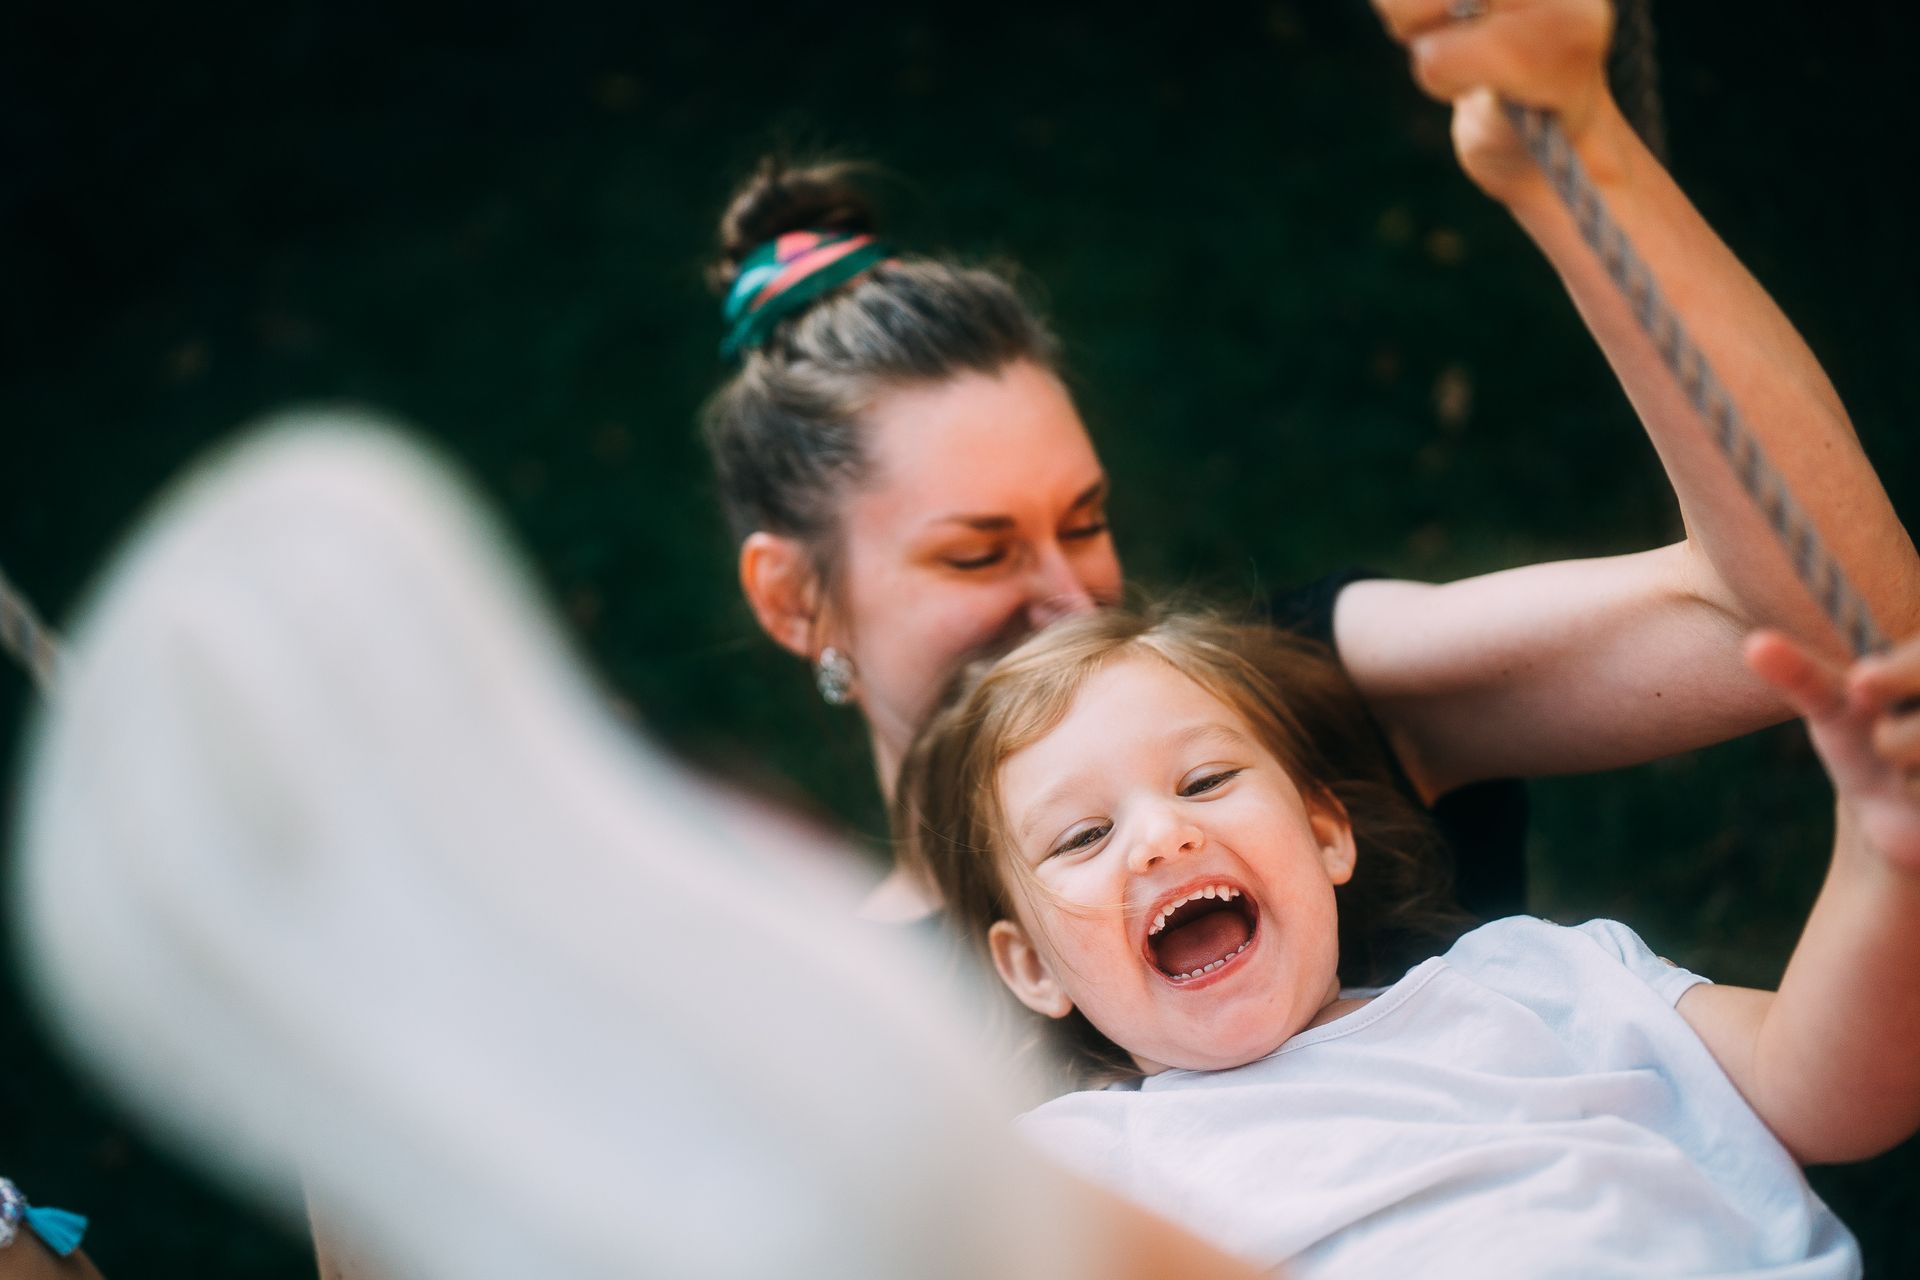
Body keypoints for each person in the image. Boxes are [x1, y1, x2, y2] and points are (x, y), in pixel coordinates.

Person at [700, 0, 1920, 923]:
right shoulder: (836, 1020)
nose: (1071, 595)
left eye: (1084, 521)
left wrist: (1575, 155)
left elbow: (1841, 627)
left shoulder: (1301, 696)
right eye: (978, 551)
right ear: (796, 600)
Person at [895, 602, 1920, 1275]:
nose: (1164, 835)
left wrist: (1884, 860)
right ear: (1031, 966)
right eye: (1083, 834)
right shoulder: (1085, 1164)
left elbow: (1831, 1094)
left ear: (1327, 831)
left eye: (1204, 780)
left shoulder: (1543, 977)